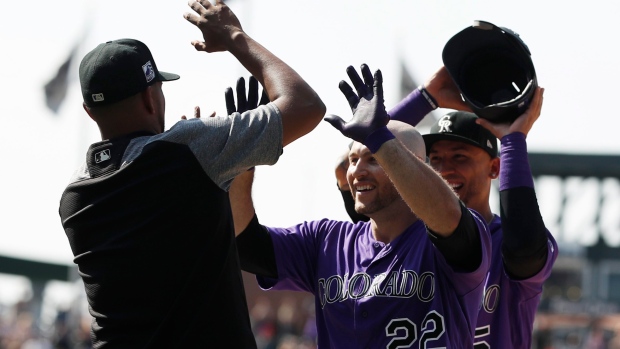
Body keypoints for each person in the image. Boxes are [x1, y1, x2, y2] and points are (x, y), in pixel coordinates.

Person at [57, 0, 325, 347]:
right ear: (150, 99)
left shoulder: (74, 197)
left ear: (89, 113)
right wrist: (233, 36)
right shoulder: (188, 150)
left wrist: (214, 167)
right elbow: (306, 105)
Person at [230, 64, 492, 348]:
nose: (356, 172)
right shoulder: (326, 241)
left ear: (412, 165)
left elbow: (447, 215)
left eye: (373, 159)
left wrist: (380, 139)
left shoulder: (452, 238)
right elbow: (245, 243)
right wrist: (241, 162)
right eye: (353, 160)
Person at [378, 65, 558, 348]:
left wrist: (512, 141)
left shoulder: (507, 242)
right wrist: (425, 98)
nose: (443, 170)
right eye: (434, 159)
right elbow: (367, 160)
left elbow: (524, 250)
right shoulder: (408, 234)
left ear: (495, 167)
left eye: (459, 157)